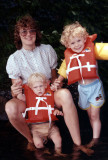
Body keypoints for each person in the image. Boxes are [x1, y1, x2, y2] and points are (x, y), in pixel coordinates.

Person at [5, 15, 93, 155]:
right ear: (18, 35)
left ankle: (78, 144)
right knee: (10, 107)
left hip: (48, 94)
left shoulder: (47, 50)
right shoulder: (14, 59)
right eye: (24, 32)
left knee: (65, 94)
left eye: (32, 31)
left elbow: (54, 79)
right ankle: (31, 139)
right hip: (29, 99)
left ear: (37, 33)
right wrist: (14, 91)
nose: (29, 34)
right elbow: (17, 93)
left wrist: (57, 84)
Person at [56, 21, 105, 147]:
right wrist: (59, 81)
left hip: (95, 88)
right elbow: (63, 70)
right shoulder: (70, 57)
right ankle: (94, 134)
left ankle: (95, 140)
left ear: (84, 39)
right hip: (82, 89)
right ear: (67, 45)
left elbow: (106, 50)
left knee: (94, 115)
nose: (76, 45)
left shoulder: (93, 49)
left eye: (79, 41)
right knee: (90, 116)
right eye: (72, 43)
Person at [17, 73, 63, 155]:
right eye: (35, 87)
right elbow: (20, 97)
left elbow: (53, 106)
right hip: (36, 130)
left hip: (51, 127)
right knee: (38, 144)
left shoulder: (49, 93)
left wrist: (56, 111)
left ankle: (58, 153)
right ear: (31, 88)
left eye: (41, 86)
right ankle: (43, 152)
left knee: (58, 140)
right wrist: (18, 87)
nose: (39, 89)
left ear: (45, 85)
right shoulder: (27, 97)